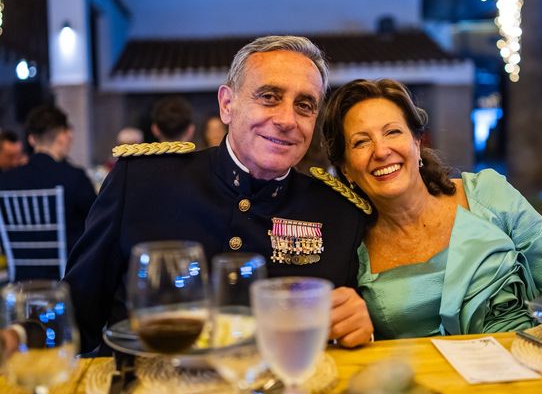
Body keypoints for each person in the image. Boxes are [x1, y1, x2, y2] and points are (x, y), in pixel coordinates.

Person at [64, 36, 373, 354]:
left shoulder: (338, 212)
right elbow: (74, 316)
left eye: (305, 106)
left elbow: (343, 332)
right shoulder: (142, 182)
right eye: (268, 97)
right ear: (227, 105)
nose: (286, 120)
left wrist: (358, 329)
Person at [322, 78, 542, 340]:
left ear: (417, 143)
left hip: (526, 366)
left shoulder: (487, 194)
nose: (381, 151)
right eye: (361, 142)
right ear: (346, 170)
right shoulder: (351, 247)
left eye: (392, 132)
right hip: (424, 380)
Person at [0, 105, 97, 279]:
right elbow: (97, 224)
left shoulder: (5, 181)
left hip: (22, 280)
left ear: (31, 140)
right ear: (62, 136)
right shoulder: (74, 177)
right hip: (68, 279)